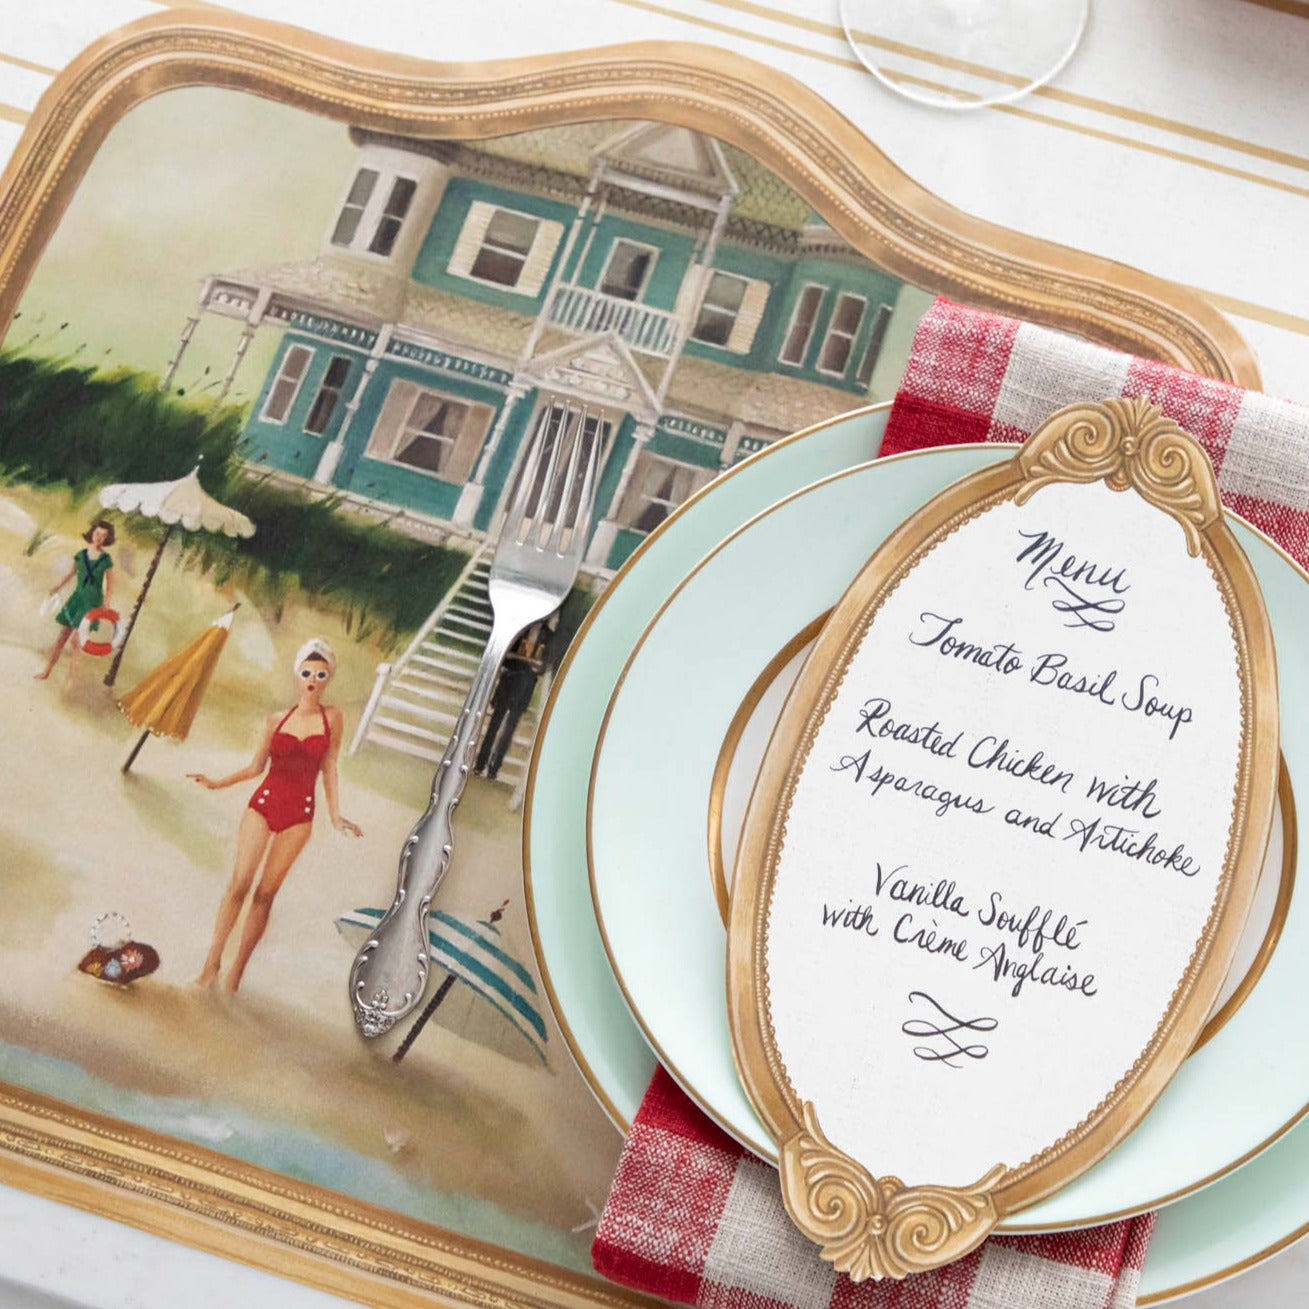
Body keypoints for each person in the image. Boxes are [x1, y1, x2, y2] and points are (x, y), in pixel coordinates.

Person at [189, 638, 363, 992]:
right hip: (263, 803)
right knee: (239, 885)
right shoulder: (275, 720)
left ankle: (236, 972)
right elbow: (255, 767)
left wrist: (336, 816)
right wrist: (217, 783)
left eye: (320, 673)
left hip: (299, 815)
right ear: (296, 675)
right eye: (306, 672)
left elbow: (329, 767)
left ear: (329, 677)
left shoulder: (333, 719)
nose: (312, 679)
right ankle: (211, 964)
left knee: (265, 895)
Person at [35, 520, 115, 680]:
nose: (99, 538)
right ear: (92, 533)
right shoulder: (80, 555)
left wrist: (107, 603)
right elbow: (70, 575)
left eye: (103, 536)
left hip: (92, 603)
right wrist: (57, 587)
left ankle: (69, 681)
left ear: (107, 539)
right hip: (77, 600)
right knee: (61, 639)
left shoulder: (106, 559)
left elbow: (110, 585)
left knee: (76, 642)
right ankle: (47, 671)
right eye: (97, 533)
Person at [474, 620, 550, 782]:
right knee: (493, 726)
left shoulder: (547, 636)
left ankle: (494, 768)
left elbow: (543, 667)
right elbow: (506, 656)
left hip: (524, 690)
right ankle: (480, 764)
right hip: (508, 684)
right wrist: (520, 660)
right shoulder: (520, 629)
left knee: (509, 732)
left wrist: (533, 665)